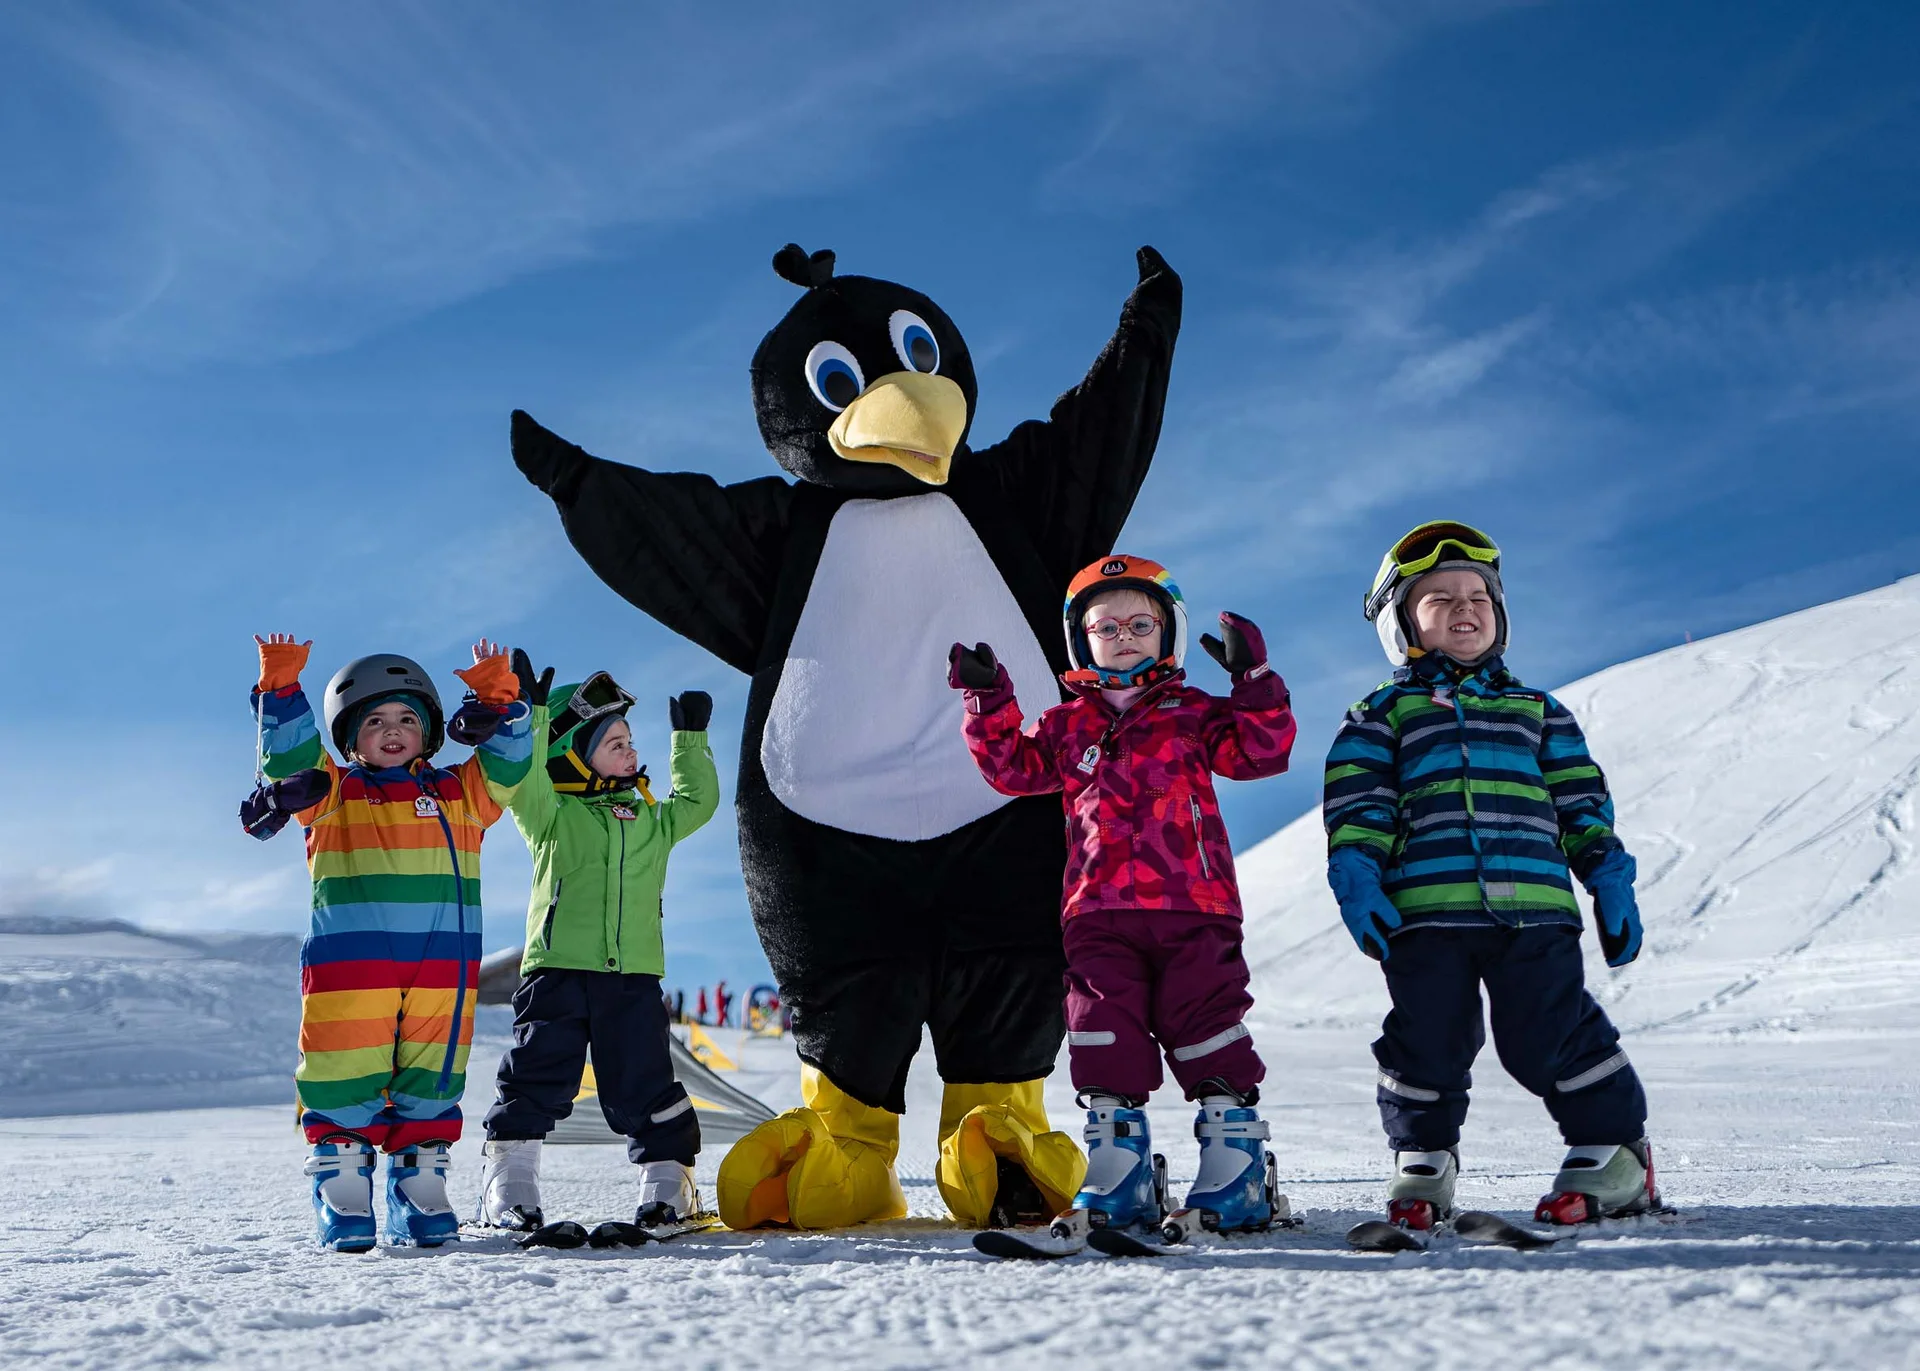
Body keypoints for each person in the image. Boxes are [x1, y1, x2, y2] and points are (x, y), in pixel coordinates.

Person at [1323, 521, 1656, 1229]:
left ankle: (1614, 1149)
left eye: (1478, 596)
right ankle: (1423, 1157)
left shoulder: (1538, 711)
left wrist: (1607, 875)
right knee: (1428, 1036)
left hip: (1535, 909)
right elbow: (1360, 804)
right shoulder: (1381, 714)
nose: (1464, 607)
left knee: (1548, 1033)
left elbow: (1581, 804)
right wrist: (1356, 872)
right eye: (1439, 598)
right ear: (1399, 624)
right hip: (1424, 911)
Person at [950, 554, 1295, 1232]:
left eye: (1142, 623)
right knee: (1102, 1030)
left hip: (1194, 906)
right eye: (1107, 627)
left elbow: (1262, 752)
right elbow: (1011, 769)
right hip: (1097, 910)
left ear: (1170, 633)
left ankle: (1236, 1166)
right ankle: (1118, 1167)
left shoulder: (1194, 712)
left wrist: (1253, 680)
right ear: (1082, 641)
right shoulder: (1065, 725)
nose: (1125, 636)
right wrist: (988, 702)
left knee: (1207, 1025)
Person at [250, 635, 530, 1251]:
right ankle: (343, 1187)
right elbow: (290, 759)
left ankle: (420, 1187)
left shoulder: (461, 794)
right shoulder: (332, 794)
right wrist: (283, 686)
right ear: (351, 739)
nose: (393, 730)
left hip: (442, 972)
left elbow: (509, 763)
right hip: (353, 973)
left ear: (429, 731)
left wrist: (498, 698)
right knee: (344, 1068)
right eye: (374, 721)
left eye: (407, 718)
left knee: (432, 1076)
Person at [477, 654, 720, 1232]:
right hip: (556, 973)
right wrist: (535, 717)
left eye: (630, 741)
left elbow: (699, 802)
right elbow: (524, 777)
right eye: (615, 743)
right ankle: (508, 1188)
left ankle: (669, 1188)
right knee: (535, 1076)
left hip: (632, 977)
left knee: (644, 1083)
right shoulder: (550, 814)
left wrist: (689, 742)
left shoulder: (652, 820)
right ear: (573, 754)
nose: (631, 752)